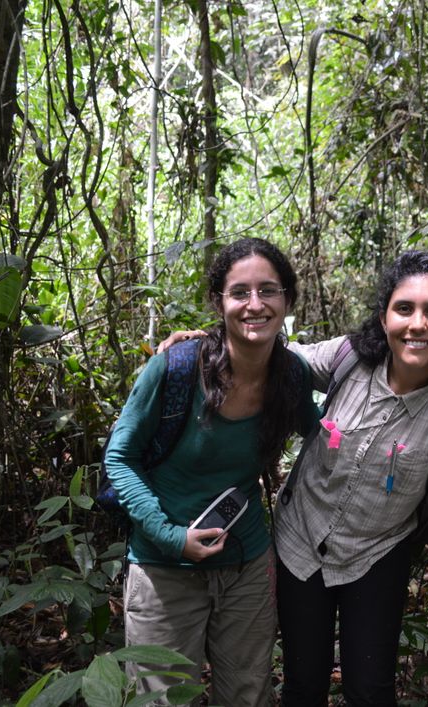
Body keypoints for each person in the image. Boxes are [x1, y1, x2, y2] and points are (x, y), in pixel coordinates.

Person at [160, 251, 428, 706]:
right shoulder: (350, 359)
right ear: (385, 315)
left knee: (370, 691)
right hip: (299, 543)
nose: (418, 324)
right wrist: (210, 344)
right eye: (404, 308)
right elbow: (274, 354)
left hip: (376, 553)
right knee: (303, 686)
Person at [105, 238, 317, 706]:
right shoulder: (175, 369)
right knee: (161, 699)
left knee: (247, 695)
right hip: (165, 568)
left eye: (269, 291)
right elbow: (119, 458)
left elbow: (322, 436)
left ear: (287, 299)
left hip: (247, 566)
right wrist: (169, 535)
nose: (255, 305)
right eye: (240, 292)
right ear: (219, 302)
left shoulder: (292, 375)